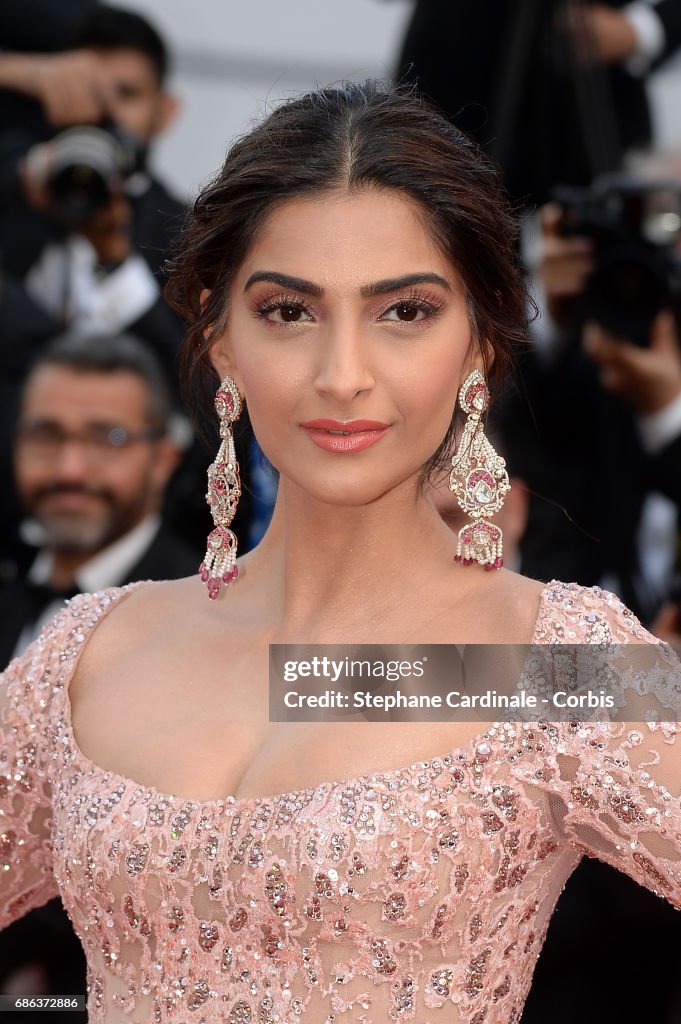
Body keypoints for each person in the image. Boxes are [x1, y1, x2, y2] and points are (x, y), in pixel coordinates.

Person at [0, 81, 679, 1024]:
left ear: (479, 339)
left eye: (404, 311)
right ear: (219, 335)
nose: (342, 375)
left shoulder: (555, 661)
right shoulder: (90, 651)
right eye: (289, 311)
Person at [0, 331, 198, 667]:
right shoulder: (9, 594)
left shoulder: (217, 606)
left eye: (107, 438)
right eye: (45, 435)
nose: (69, 471)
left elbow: (297, 696)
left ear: (163, 460)